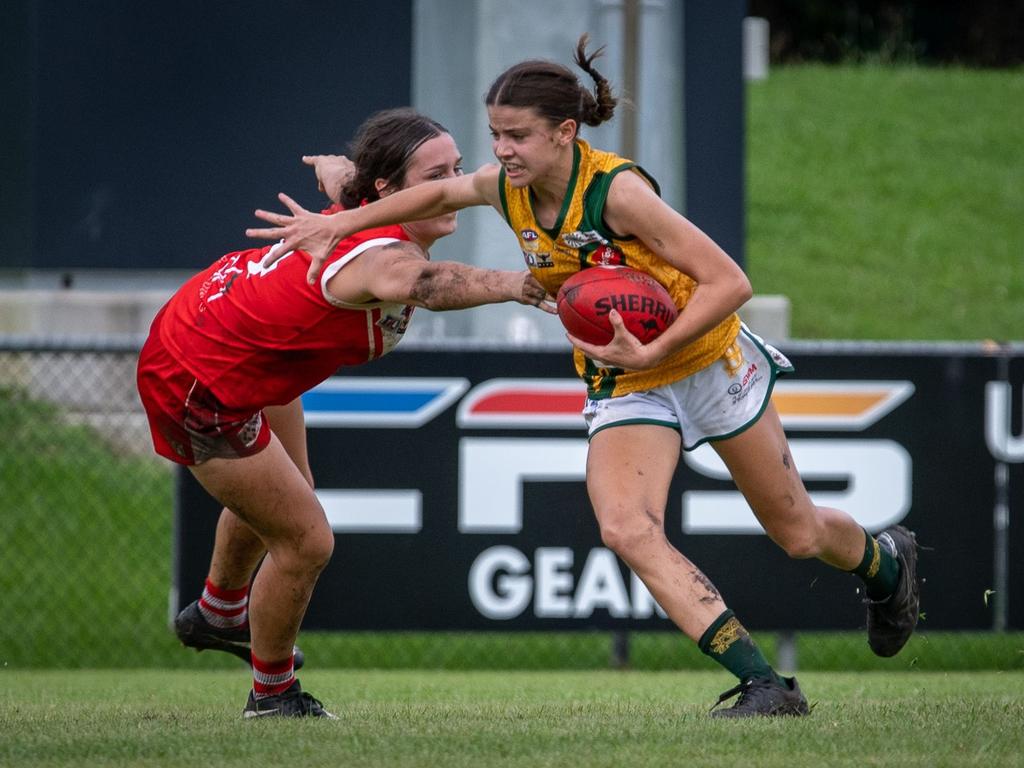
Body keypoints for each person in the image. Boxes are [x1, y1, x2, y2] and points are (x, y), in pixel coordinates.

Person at [246, 36, 921, 718]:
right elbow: (436, 194)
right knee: (626, 528)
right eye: (495, 135)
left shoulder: (617, 192)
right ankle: (764, 685)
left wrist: (658, 353)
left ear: (566, 133)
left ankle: (887, 563)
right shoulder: (504, 189)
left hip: (709, 359)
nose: (502, 151)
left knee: (798, 532)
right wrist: (337, 226)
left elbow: (730, 281)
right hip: (626, 378)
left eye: (519, 136)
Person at [137, 107, 555, 719]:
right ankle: (272, 698)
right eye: (435, 175)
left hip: (221, 337)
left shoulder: (364, 202)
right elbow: (430, 285)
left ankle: (219, 613)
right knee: (305, 541)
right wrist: (521, 284)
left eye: (456, 170)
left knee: (289, 497)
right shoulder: (381, 257)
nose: (452, 187)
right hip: (198, 378)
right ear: (386, 189)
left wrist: (340, 169)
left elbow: (344, 177)